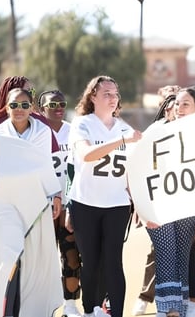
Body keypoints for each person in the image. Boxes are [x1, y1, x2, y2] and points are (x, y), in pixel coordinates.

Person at [0, 87, 63, 316]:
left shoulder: (43, 132)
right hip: (1, 205)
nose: (19, 110)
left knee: (32, 262)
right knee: (7, 254)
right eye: (14, 105)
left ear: (32, 107)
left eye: (24, 105)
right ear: (7, 107)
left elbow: (46, 166)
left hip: (35, 205)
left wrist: (56, 195)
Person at [66, 75, 142, 317]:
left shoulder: (124, 128)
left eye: (115, 94)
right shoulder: (82, 123)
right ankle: (90, 311)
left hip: (117, 205)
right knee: (90, 262)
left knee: (113, 262)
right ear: (93, 97)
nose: (112, 98)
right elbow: (86, 154)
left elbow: (134, 170)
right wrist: (120, 140)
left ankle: (116, 313)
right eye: (106, 93)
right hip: (85, 204)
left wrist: (139, 202)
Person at [141, 87, 195, 317]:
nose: (178, 108)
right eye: (177, 103)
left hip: (189, 206)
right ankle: (167, 308)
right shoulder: (157, 130)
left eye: (185, 104)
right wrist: (143, 208)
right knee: (166, 252)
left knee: (181, 256)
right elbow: (140, 167)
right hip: (159, 206)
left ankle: (178, 306)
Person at [39, 89, 83, 317]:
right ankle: (42, 306)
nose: (59, 108)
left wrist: (72, 202)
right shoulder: (35, 133)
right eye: (53, 104)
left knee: (71, 257)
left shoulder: (74, 131)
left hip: (68, 204)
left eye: (62, 104)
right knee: (42, 260)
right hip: (41, 207)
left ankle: (70, 305)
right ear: (41, 108)